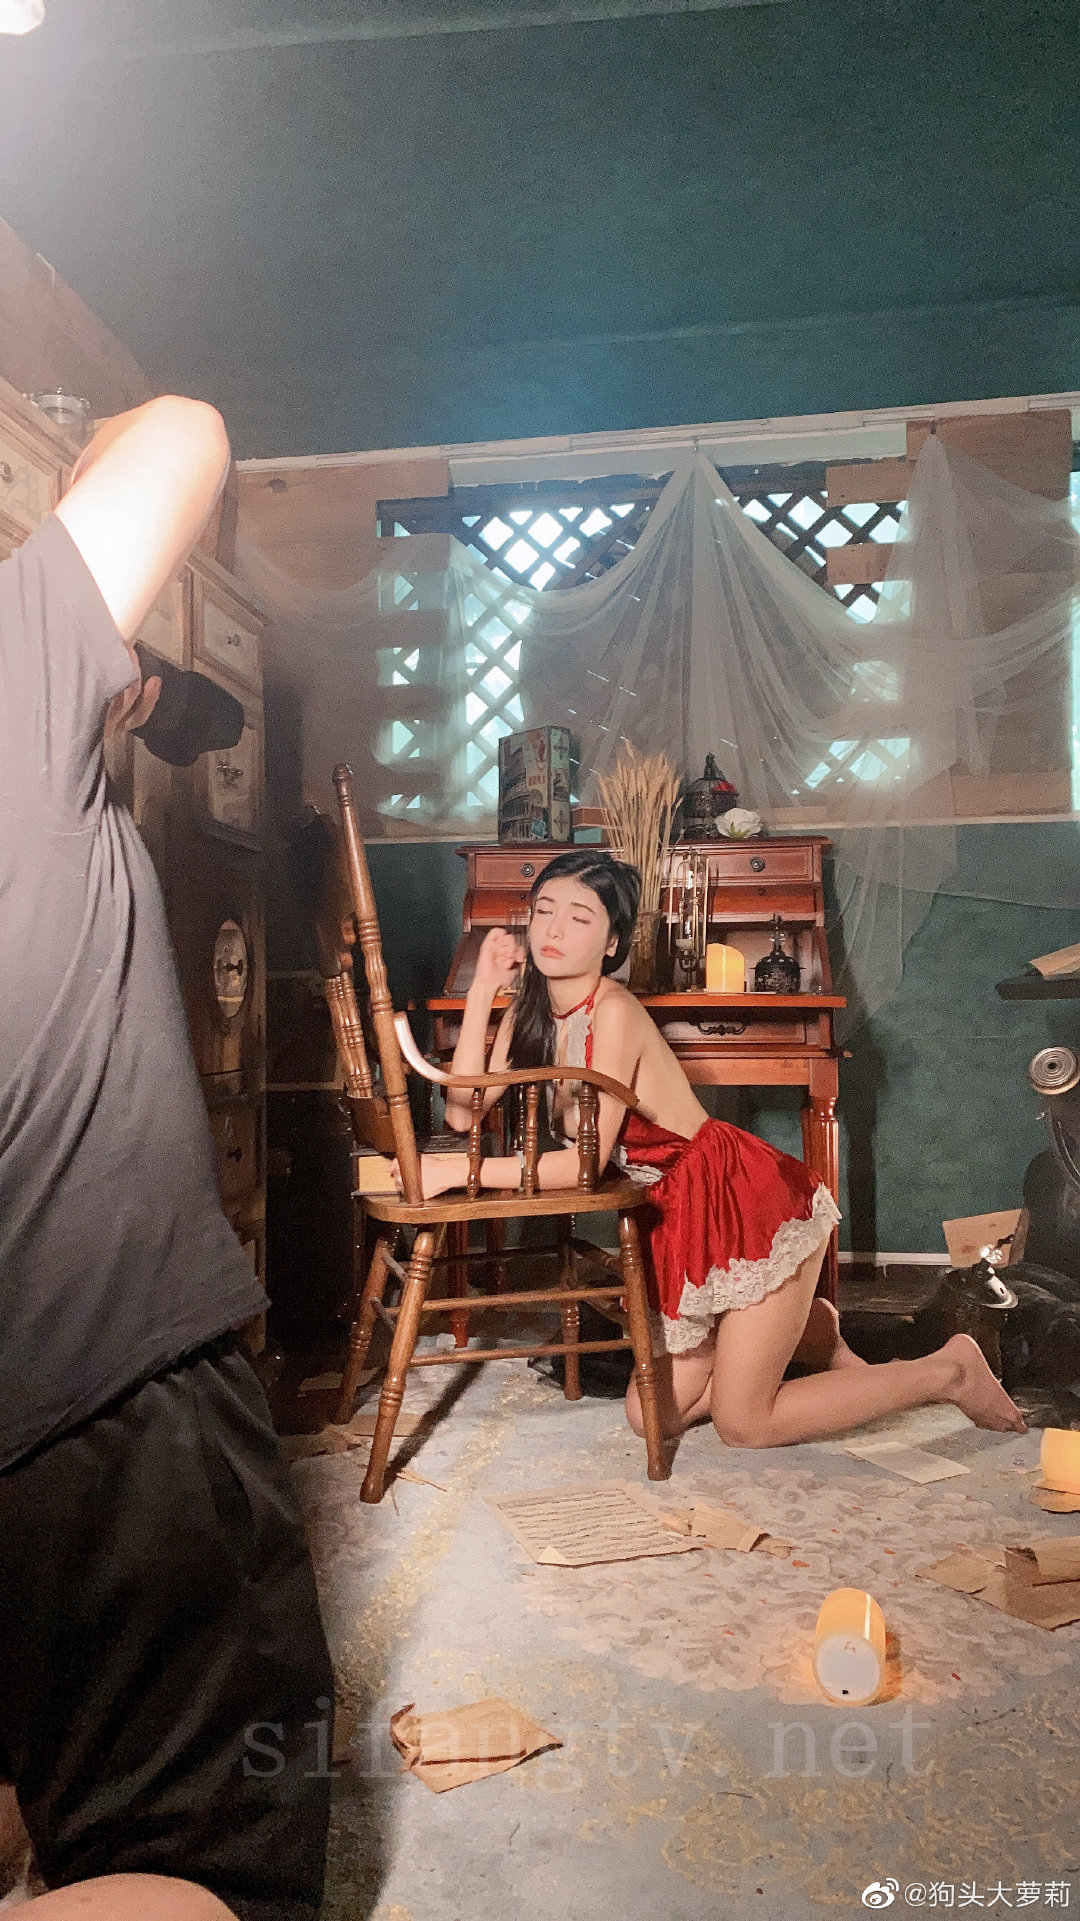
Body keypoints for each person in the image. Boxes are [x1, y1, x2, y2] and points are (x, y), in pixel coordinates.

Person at [0, 398, 334, 1921]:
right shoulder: (16, 655)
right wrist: (79, 512)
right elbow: (186, 432)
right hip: (104, 1380)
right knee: (199, 1880)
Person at [403, 848, 1026, 1445]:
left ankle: (950, 1370)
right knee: (651, 1420)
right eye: (544, 910)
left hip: (745, 1202)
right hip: (675, 1215)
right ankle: (812, 1333)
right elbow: (462, 1111)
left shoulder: (613, 1012)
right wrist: (484, 989)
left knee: (745, 1424)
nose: (554, 929)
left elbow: (584, 1165)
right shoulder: (532, 1013)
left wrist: (459, 1174)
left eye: (579, 916)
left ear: (612, 943)